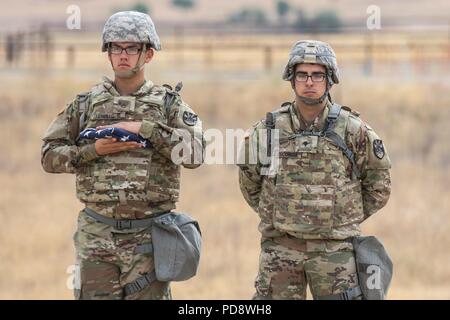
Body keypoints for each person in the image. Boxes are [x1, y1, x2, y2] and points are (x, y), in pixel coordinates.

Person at [41, 11, 204, 300]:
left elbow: (195, 154)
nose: (123, 55)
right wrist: (92, 151)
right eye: (116, 47)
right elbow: (49, 156)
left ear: (148, 54)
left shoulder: (169, 105)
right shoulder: (85, 104)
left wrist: (147, 129)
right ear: (108, 53)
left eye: (131, 48)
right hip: (96, 236)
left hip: (149, 238)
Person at [237, 40, 391, 300]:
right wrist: (280, 214)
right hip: (281, 248)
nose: (309, 82)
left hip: (335, 251)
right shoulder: (268, 129)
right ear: (292, 79)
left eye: (317, 75)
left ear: (330, 80)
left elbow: (379, 185)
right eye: (302, 75)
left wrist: (341, 216)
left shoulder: (353, 130)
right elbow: (249, 181)